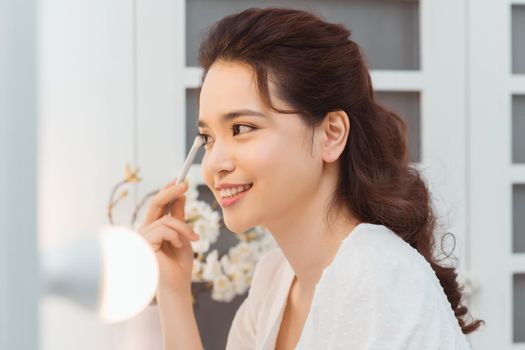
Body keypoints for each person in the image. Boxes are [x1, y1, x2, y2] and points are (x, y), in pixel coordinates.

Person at [137, 7, 483, 350]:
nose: (215, 163)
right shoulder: (275, 279)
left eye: (241, 129)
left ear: (331, 134)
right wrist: (173, 292)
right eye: (208, 138)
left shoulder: (379, 276)